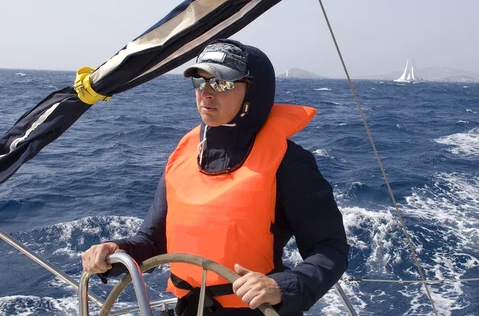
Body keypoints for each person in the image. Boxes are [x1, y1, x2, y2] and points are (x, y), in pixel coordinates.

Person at [82, 39, 349, 315]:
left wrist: (283, 286)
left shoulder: (289, 162)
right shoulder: (184, 155)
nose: (206, 93)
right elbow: (153, 240)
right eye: (199, 82)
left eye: (221, 83)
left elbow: (330, 249)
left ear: (252, 94)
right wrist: (115, 252)